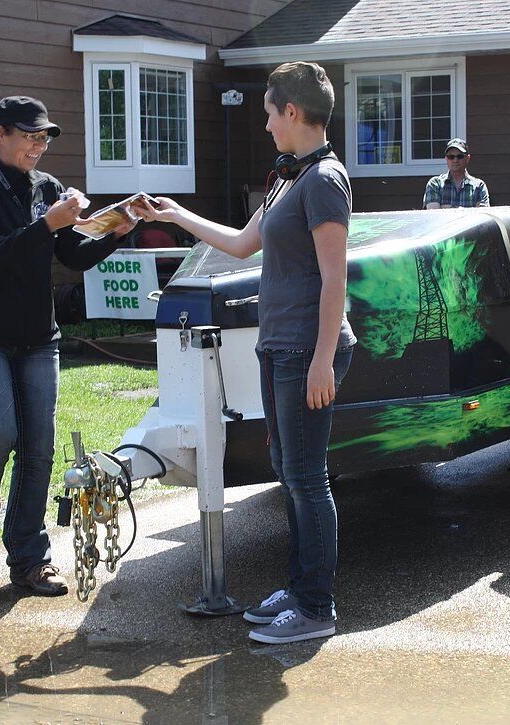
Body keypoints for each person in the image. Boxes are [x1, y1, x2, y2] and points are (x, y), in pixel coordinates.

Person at [138, 61, 356, 645]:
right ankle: (300, 585)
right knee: (288, 473)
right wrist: (175, 215)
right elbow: (240, 245)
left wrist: (320, 360)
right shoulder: (290, 176)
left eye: (267, 113)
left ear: (292, 112)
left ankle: (316, 607)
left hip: (306, 351)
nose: (263, 125)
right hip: (278, 346)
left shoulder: (325, 180)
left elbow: (336, 280)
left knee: (308, 479)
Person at [0, 96, 135, 598]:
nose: (38, 144)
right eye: (29, 135)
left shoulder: (46, 189)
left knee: (39, 448)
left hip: (36, 337)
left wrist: (118, 228)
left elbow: (73, 255)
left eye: (45, 136)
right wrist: (46, 224)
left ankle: (29, 558)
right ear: (0, 134)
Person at [423, 138, 490, 208]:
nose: (455, 160)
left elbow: (482, 216)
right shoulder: (435, 184)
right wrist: (468, 211)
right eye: (451, 157)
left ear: (468, 158)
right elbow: (434, 214)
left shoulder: (479, 186)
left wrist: (446, 208)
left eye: (460, 156)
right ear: (446, 159)